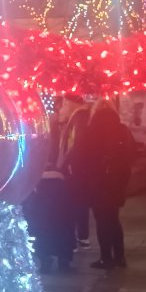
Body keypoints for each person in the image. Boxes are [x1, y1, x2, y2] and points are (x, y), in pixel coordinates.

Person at [70, 101, 135, 269]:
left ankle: (106, 257)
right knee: (113, 219)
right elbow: (131, 154)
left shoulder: (90, 131)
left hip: (97, 184)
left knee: (101, 221)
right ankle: (119, 257)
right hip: (116, 183)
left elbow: (79, 158)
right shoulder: (122, 130)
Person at [55, 94, 92, 249]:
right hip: (77, 169)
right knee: (79, 204)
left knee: (76, 204)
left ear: (71, 104)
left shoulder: (79, 118)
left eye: (65, 104)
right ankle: (81, 237)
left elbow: (74, 144)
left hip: (75, 170)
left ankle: (79, 238)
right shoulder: (79, 117)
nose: (62, 108)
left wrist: (65, 164)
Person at [23, 167, 75, 272]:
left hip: (40, 183)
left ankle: (45, 259)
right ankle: (64, 259)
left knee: (41, 228)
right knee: (64, 226)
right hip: (61, 183)